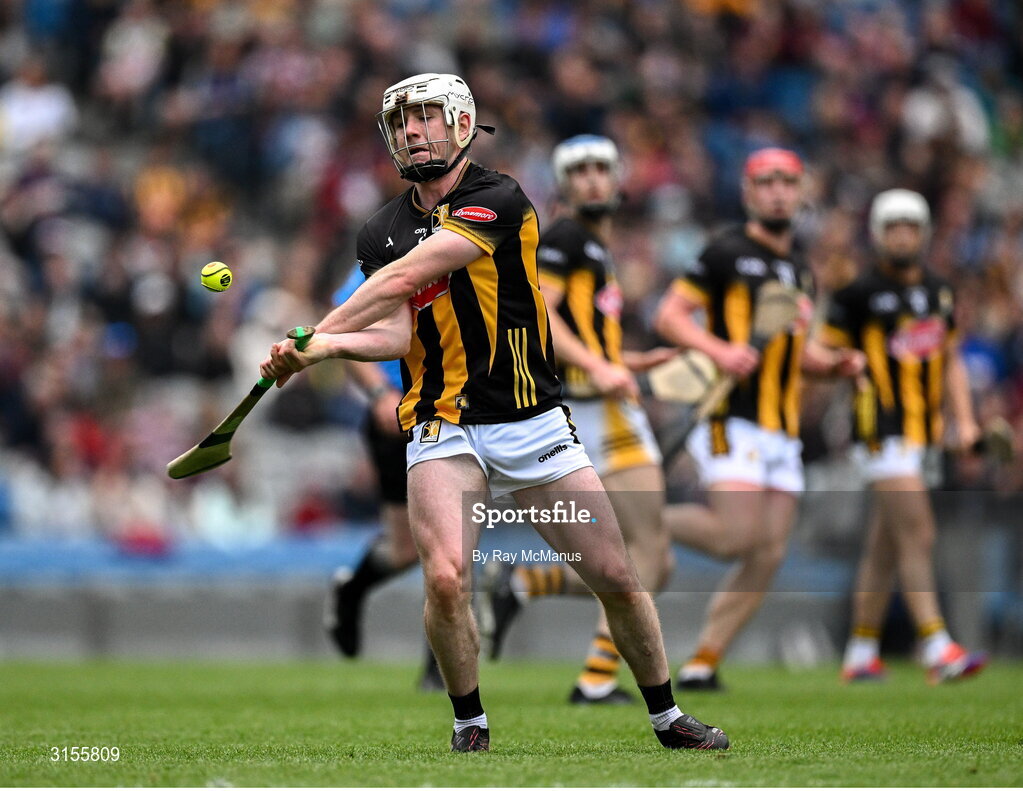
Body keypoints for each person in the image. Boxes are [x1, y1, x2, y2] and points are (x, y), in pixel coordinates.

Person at [259, 72, 728, 752]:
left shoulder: (497, 197)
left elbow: (403, 277)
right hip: (441, 425)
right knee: (446, 577)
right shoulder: (380, 229)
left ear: (460, 124)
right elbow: (395, 329)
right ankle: (468, 723)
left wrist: (308, 332)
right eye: (401, 123)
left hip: (530, 421)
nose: (413, 131)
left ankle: (666, 715)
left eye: (426, 117)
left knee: (617, 576)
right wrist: (325, 348)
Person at [653, 148, 863, 691]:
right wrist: (719, 351)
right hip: (733, 417)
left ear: (800, 193)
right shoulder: (726, 252)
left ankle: (703, 661)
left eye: (787, 182)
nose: (777, 192)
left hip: (781, 429)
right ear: (748, 193)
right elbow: (669, 316)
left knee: (768, 554)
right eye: (766, 182)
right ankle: (642, 516)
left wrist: (836, 365)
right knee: (732, 538)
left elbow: (797, 356)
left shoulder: (800, 272)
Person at [482, 135, 677, 705]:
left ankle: (529, 583)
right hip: (597, 413)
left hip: (596, 400)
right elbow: (540, 310)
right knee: (648, 553)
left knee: (642, 557)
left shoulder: (593, 244)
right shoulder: (567, 238)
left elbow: (577, 332)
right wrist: (600, 367)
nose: (592, 179)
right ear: (564, 184)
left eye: (601, 169)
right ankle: (595, 678)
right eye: (580, 170)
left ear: (617, 179)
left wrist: (626, 361)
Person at [820, 188, 987, 684]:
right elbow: (823, 356)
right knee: (919, 531)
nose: (901, 236)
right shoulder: (858, 294)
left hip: (922, 435)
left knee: (886, 546)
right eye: (892, 227)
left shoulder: (939, 291)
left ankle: (860, 652)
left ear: (924, 233)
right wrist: (842, 365)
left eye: (910, 227)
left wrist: (967, 421)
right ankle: (937, 645)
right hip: (878, 429)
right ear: (877, 234)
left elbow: (951, 360)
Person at [324, 266, 443, 692]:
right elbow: (343, 323)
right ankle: (353, 590)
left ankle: (441, 668)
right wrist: (378, 394)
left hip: (455, 410)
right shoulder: (389, 244)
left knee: (452, 544)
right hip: (396, 417)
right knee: (406, 549)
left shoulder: (469, 237)